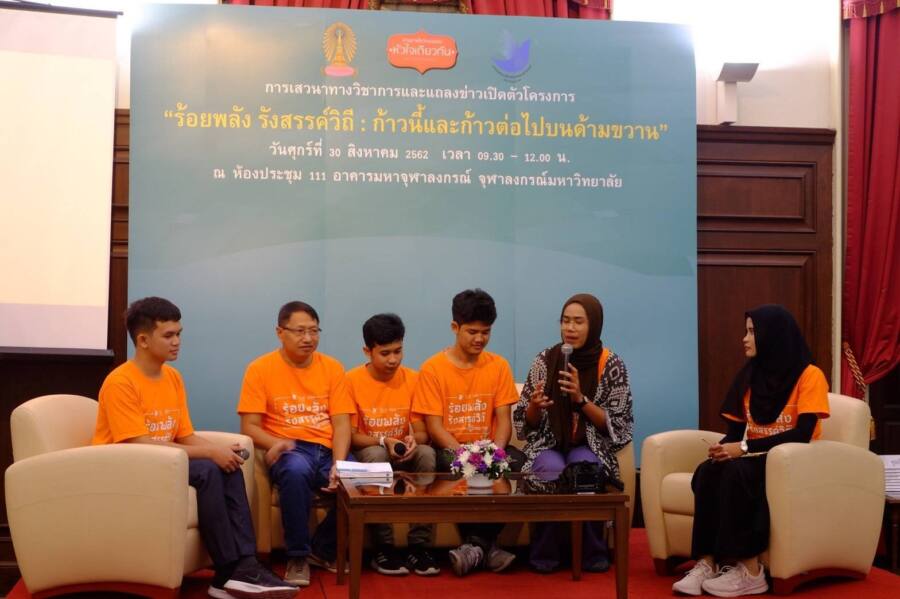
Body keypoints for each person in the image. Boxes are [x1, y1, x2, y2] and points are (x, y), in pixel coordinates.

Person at [92, 297, 297, 599]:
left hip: (163, 462)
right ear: (143, 340)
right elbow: (138, 444)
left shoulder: (172, 377)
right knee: (207, 470)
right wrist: (211, 453)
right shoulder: (120, 382)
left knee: (227, 465)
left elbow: (185, 436)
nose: (177, 342)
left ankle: (245, 564)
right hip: (127, 467)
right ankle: (227, 571)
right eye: (168, 335)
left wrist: (222, 452)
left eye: (179, 334)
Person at [672, 304, 830, 597]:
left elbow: (803, 434)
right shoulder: (749, 376)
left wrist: (744, 447)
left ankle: (751, 571)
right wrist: (722, 449)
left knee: (738, 473)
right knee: (708, 471)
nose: (744, 339)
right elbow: (735, 433)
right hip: (755, 457)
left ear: (773, 335)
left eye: (752, 332)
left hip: (794, 461)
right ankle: (707, 562)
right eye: (746, 331)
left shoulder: (810, 375)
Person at [237, 301, 356, 588]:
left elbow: (342, 424)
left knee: (359, 478)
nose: (308, 338)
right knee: (295, 471)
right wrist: (276, 443)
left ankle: (322, 549)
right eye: (300, 331)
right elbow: (249, 426)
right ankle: (298, 556)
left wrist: (339, 463)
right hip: (289, 448)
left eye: (314, 331)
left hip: (327, 450)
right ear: (280, 332)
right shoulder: (260, 369)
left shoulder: (332, 368)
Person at [514, 293, 634, 574]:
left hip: (591, 444)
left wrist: (581, 399)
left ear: (594, 325)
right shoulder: (545, 360)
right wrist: (534, 406)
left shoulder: (611, 365)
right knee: (548, 468)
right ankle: (545, 554)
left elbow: (618, 424)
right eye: (565, 321)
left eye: (579, 322)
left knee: (585, 468)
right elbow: (524, 424)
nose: (570, 328)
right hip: (549, 442)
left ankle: (592, 553)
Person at [411, 288, 524, 577]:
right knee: (458, 466)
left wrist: (494, 453)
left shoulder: (498, 366)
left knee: (520, 465)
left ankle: (475, 548)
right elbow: (435, 427)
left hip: (489, 447)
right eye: (472, 332)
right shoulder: (433, 369)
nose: (479, 339)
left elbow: (503, 420)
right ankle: (488, 549)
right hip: (451, 449)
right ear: (455, 327)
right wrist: (467, 455)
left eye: (486, 332)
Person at [346, 313, 440, 577]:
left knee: (427, 453)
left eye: (398, 351)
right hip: (370, 453)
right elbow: (351, 436)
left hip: (401, 451)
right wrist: (383, 440)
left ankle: (419, 546)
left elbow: (422, 432)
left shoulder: (413, 379)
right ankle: (383, 546)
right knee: (376, 455)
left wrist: (412, 440)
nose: (393, 360)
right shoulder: (350, 381)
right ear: (367, 351)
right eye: (385, 353)